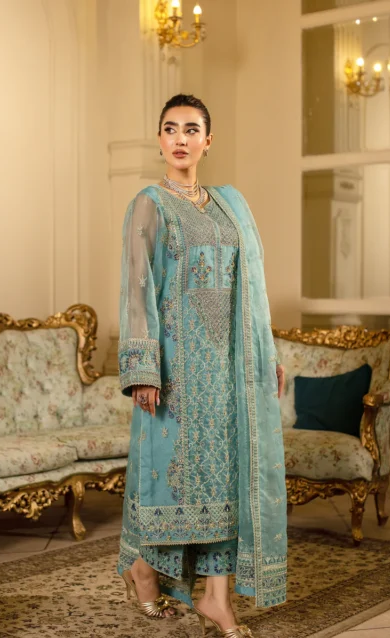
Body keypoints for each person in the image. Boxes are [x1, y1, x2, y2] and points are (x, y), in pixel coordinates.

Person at [116, 93, 287, 638]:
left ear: (208, 141)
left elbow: (252, 289)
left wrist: (265, 353)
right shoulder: (149, 204)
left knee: (228, 483)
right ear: (159, 139)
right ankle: (145, 568)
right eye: (171, 129)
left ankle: (216, 597)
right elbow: (138, 287)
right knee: (167, 480)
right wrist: (143, 369)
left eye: (192, 129)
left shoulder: (229, 206)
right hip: (175, 372)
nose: (181, 139)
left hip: (229, 371)